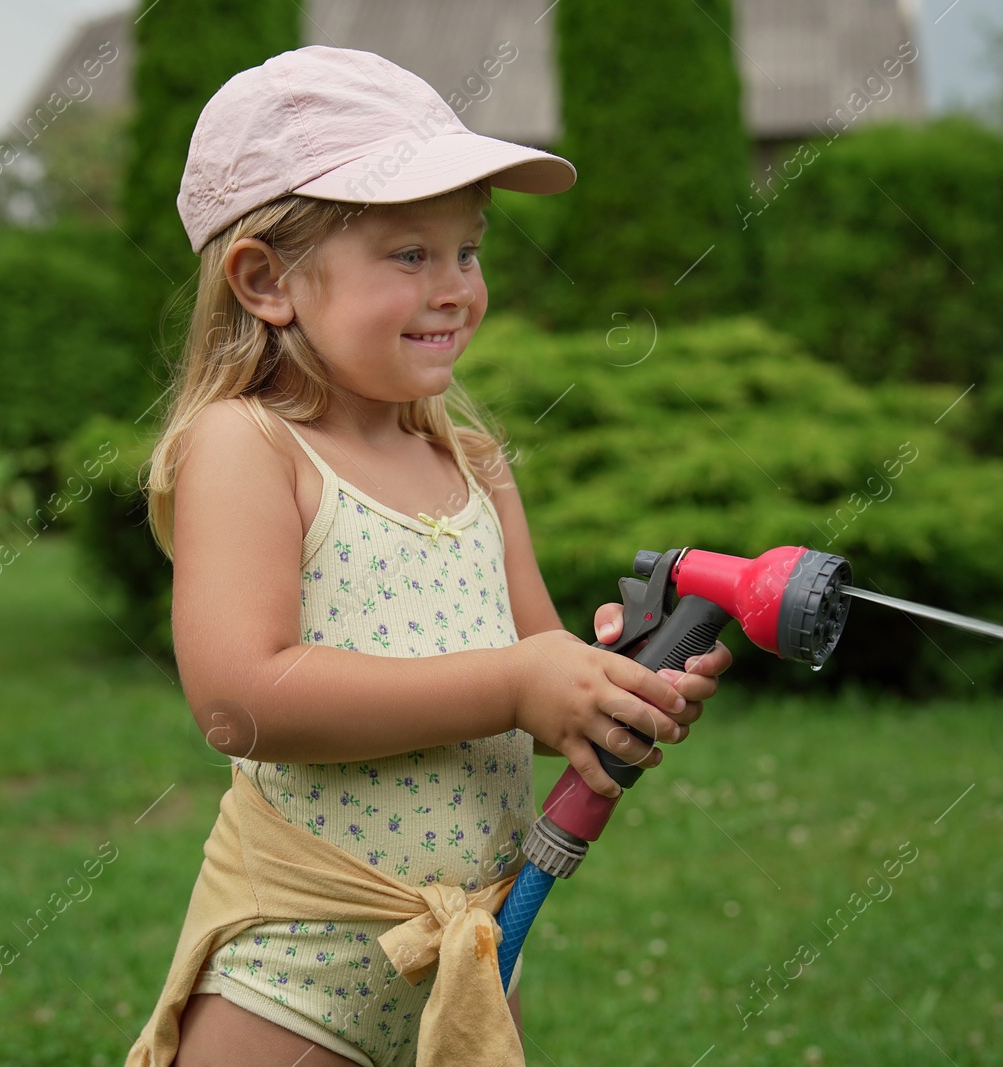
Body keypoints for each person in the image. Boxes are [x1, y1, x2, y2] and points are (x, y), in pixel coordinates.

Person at [125, 45, 732, 1067]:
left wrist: (601, 686)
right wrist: (515, 680)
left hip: (474, 964)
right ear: (266, 280)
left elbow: (530, 670)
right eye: (410, 255)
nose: (454, 286)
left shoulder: (473, 462)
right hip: (294, 978)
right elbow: (240, 695)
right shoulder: (250, 446)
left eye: (469, 250)